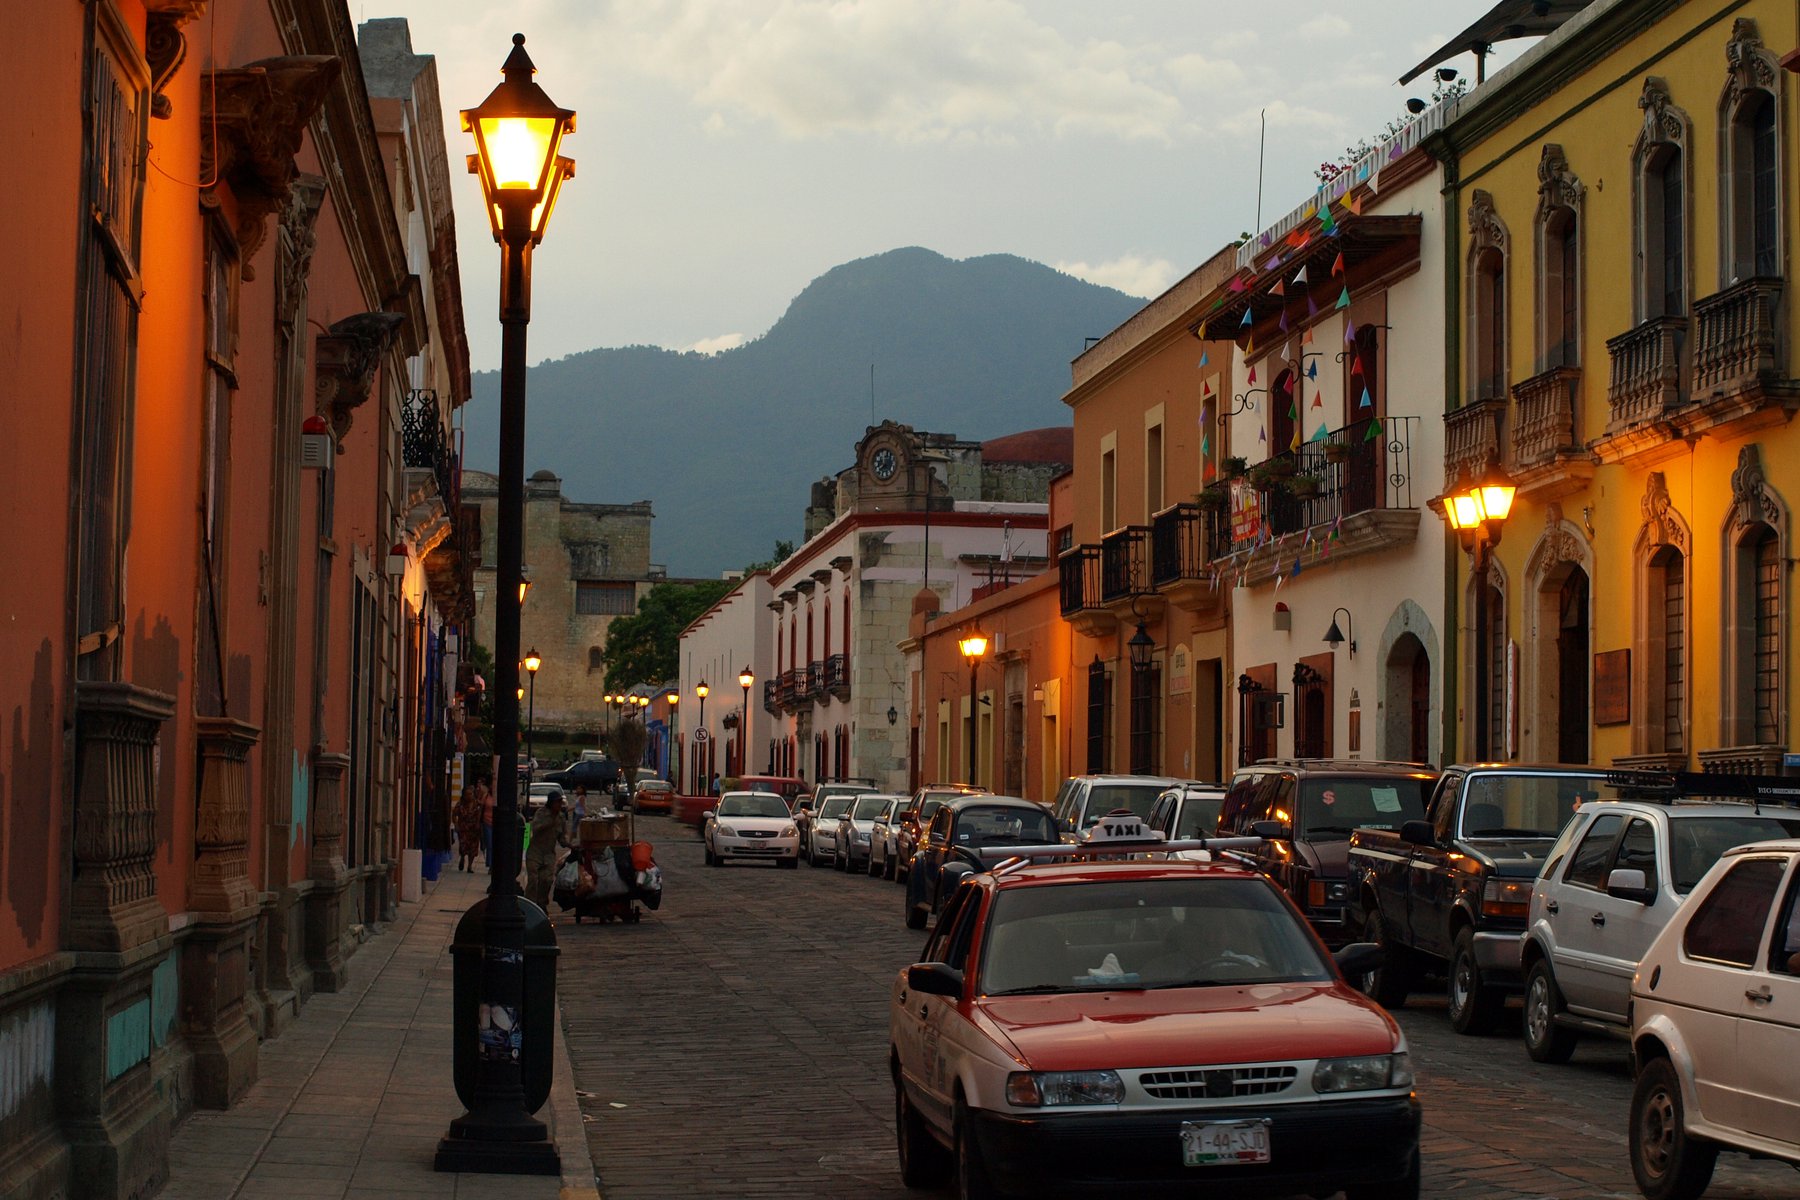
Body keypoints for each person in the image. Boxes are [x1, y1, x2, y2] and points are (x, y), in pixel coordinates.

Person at [525, 792, 569, 911]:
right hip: (535, 851)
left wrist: (570, 845)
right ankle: (530, 904)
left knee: (547, 879)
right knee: (533, 879)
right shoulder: (541, 813)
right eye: (557, 802)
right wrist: (550, 821)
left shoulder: (561, 817)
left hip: (549, 853)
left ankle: (541, 902)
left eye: (560, 802)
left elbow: (562, 837)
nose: (559, 805)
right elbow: (536, 828)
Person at [454, 783, 483, 873]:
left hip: (474, 828)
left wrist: (479, 824)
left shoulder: (477, 804)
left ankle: (470, 866)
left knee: (473, 848)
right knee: (463, 846)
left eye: (471, 794)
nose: (469, 796)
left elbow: (481, 814)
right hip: (463, 828)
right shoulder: (460, 804)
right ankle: (462, 858)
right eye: (467, 794)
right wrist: (456, 824)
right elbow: (454, 814)